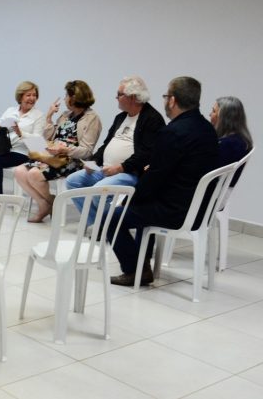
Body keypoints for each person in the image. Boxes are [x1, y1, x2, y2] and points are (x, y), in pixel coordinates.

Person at [107, 76, 219, 286]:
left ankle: (134, 270)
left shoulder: (173, 132)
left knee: (111, 216)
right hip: (201, 209)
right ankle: (142, 263)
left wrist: (130, 199)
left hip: (175, 210)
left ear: (172, 100)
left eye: (166, 96)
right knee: (140, 205)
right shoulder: (207, 129)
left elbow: (154, 179)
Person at [65, 76, 165, 225]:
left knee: (99, 191)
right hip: (105, 169)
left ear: (132, 97)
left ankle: (109, 227)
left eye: (119, 94)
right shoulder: (121, 117)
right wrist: (93, 161)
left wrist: (120, 168)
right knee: (73, 181)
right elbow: (106, 144)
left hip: (130, 173)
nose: (116, 97)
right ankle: (96, 224)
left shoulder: (152, 119)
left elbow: (146, 154)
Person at [14, 80, 102, 222]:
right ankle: (46, 203)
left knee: (34, 174)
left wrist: (65, 149)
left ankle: (47, 205)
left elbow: (87, 151)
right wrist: (49, 117)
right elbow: (48, 137)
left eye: (67, 95)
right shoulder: (66, 114)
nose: (65, 98)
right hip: (53, 156)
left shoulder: (92, 119)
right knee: (19, 171)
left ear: (74, 97)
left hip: (73, 160)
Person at [0, 81, 45, 196]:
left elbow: (38, 143)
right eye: (28, 95)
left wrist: (21, 133)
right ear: (20, 97)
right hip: (3, 149)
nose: (32, 98)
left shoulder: (39, 115)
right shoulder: (10, 111)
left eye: (34, 95)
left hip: (23, 152)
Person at [210, 96, 253, 184]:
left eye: (214, 111)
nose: (210, 114)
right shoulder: (241, 141)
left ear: (223, 118)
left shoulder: (227, 145)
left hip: (210, 188)